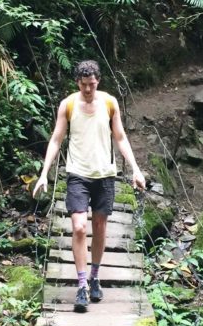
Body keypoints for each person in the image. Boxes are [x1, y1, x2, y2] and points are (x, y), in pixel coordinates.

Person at [33, 59, 146, 312]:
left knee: (100, 226)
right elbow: (56, 139)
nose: (87, 90)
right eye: (84, 85)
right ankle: (82, 285)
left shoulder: (109, 103)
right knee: (79, 227)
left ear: (98, 82)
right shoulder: (68, 104)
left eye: (92, 85)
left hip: (105, 174)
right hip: (77, 174)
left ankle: (95, 277)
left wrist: (136, 169)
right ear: (77, 82)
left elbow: (120, 137)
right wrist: (44, 173)